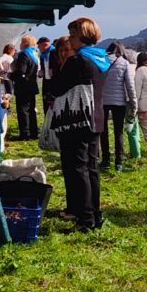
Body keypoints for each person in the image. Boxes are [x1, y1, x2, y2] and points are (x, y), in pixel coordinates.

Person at [48, 17, 111, 232]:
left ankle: (84, 218)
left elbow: (57, 87)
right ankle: (95, 212)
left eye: (73, 35)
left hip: (77, 120)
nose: (71, 40)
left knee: (78, 168)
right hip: (96, 118)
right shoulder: (100, 59)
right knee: (91, 168)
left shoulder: (78, 62)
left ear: (82, 36)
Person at [99, 41, 136, 172]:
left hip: (102, 101)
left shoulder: (101, 61)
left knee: (102, 132)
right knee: (118, 132)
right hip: (119, 102)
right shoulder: (124, 63)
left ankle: (105, 160)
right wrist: (133, 102)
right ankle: (118, 162)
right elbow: (130, 86)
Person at [9, 33, 41, 141]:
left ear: (24, 43)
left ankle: (25, 134)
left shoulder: (24, 55)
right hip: (32, 85)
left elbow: (21, 72)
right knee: (31, 110)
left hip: (23, 86)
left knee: (23, 110)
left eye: (22, 42)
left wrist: (10, 75)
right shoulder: (34, 54)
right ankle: (34, 132)